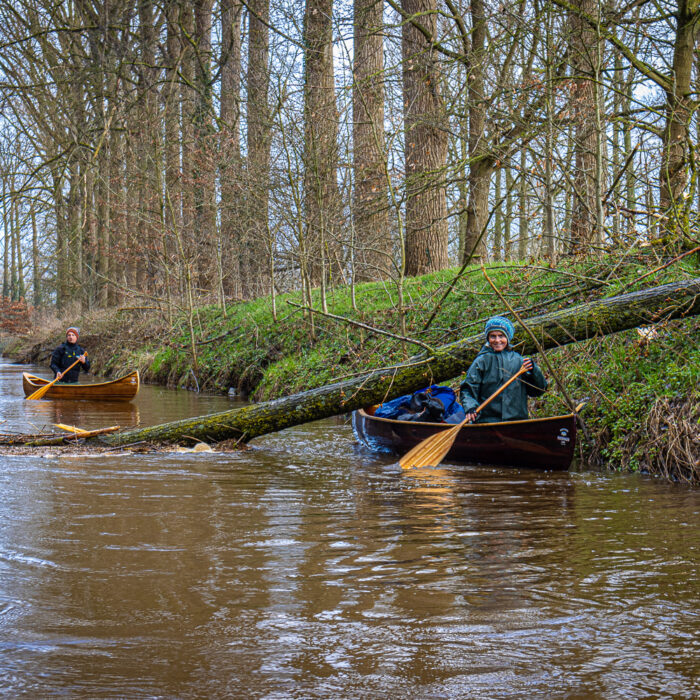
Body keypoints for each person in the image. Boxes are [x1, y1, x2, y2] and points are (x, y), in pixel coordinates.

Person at [460, 316, 547, 423]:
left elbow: (539, 390)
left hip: (517, 421)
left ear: (508, 338)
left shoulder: (519, 361)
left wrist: (534, 371)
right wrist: (470, 407)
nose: (497, 340)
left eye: (501, 336)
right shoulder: (481, 361)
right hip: (488, 422)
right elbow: (467, 389)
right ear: (488, 338)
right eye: (493, 336)